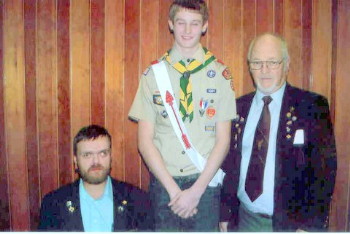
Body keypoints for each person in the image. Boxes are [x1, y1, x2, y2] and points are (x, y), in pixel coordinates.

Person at [128, 0, 236, 231]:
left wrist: (196, 191)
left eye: (195, 23)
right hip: (164, 185)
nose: (187, 31)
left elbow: (223, 140)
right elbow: (144, 141)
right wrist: (174, 191)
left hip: (204, 184)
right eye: (181, 23)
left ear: (205, 26)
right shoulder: (153, 75)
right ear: (170, 24)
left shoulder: (220, 74)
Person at [219, 32, 337, 232]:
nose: (264, 69)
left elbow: (325, 170)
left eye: (272, 62)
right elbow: (229, 164)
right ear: (249, 66)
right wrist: (225, 214)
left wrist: (311, 227)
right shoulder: (238, 108)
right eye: (257, 62)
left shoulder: (311, 107)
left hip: (292, 226)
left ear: (286, 64)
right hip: (244, 221)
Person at [38, 125, 153, 231]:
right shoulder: (54, 204)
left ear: (110, 157)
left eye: (102, 153)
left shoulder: (137, 200)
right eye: (87, 155)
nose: (96, 162)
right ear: (75, 161)